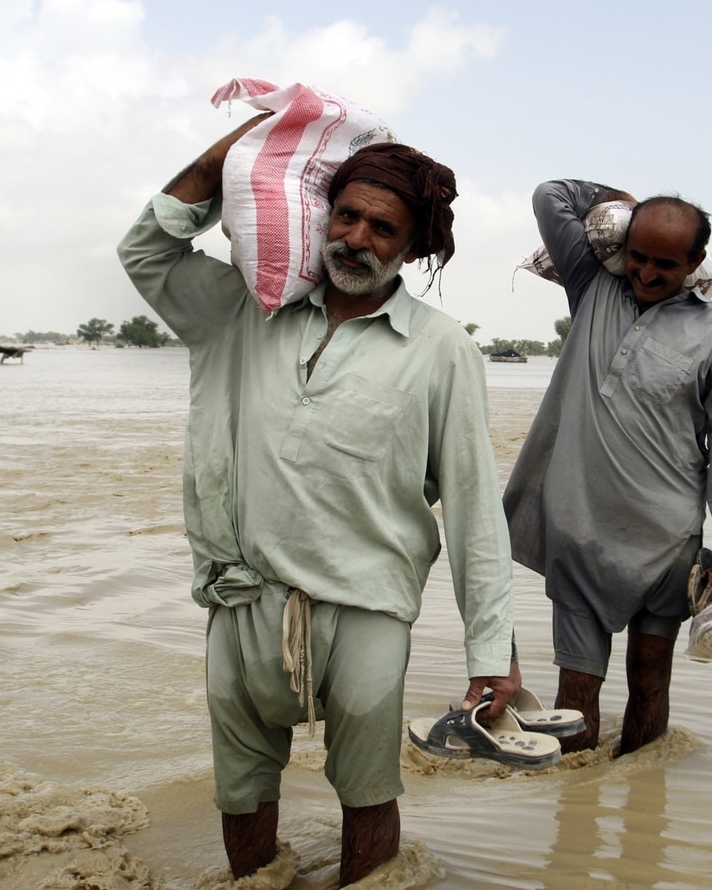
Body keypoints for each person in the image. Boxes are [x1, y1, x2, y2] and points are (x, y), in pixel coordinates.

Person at [117, 116, 519, 886]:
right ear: (322, 216)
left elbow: (473, 510)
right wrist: (223, 157)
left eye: (382, 227)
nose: (357, 239)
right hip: (243, 595)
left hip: (365, 604)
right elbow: (144, 249)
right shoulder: (244, 309)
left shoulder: (442, 350)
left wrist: (488, 656)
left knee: (368, 791)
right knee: (240, 790)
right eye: (347, 215)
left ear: (414, 246)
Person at [502, 179, 712, 757]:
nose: (645, 272)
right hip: (579, 532)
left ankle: (642, 800)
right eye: (636, 255)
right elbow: (549, 197)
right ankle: (578, 817)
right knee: (577, 688)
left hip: (666, 544)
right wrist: (627, 200)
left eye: (666, 263)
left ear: (695, 263)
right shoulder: (593, 289)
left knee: (649, 679)